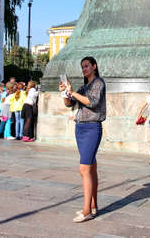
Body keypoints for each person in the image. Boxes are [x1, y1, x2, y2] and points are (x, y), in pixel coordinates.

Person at [59, 56, 106, 224]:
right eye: (82, 67)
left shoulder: (98, 83)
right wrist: (65, 93)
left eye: (87, 66)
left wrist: (72, 92)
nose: (84, 69)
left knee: (84, 169)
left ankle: (86, 211)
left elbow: (92, 102)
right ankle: (93, 206)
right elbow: (68, 104)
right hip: (80, 128)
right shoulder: (83, 87)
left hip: (92, 128)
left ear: (94, 66)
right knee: (91, 167)